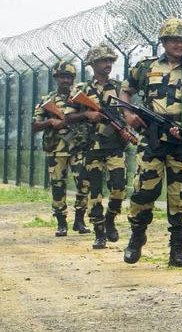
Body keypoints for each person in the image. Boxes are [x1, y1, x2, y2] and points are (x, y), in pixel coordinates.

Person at [122, 17, 182, 267]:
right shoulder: (145, 67)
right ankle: (136, 237)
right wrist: (129, 116)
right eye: (174, 40)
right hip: (152, 138)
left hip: (180, 140)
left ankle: (177, 250)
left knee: (180, 195)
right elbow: (126, 90)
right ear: (164, 42)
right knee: (144, 190)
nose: (179, 45)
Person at [67, 44, 130, 249]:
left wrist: (126, 129)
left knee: (119, 187)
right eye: (103, 61)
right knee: (95, 192)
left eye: (110, 61)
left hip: (115, 146)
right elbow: (67, 117)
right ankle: (99, 231)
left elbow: (126, 113)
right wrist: (87, 114)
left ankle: (111, 217)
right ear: (92, 64)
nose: (107, 64)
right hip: (92, 147)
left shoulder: (119, 87)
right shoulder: (81, 90)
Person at [32, 60, 81, 237]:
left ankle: (80, 220)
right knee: (58, 186)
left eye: (68, 77)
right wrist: (50, 122)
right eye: (62, 77)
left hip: (78, 148)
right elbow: (34, 126)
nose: (65, 81)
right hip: (56, 149)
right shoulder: (48, 101)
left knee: (83, 184)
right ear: (56, 78)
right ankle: (61, 223)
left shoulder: (79, 98)